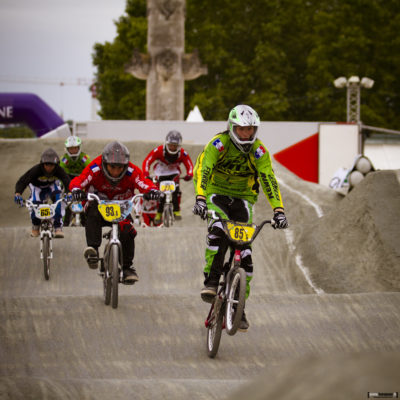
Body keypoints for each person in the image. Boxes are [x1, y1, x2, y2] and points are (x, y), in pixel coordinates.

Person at [192, 105, 288, 332]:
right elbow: (204, 169)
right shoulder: (219, 144)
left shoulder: (259, 151)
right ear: (232, 127)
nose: (246, 134)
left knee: (245, 255)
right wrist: (200, 198)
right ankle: (212, 282)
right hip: (216, 193)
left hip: (244, 198)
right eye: (242, 129)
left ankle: (238, 308)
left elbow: (268, 179)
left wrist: (279, 211)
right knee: (218, 232)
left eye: (250, 130)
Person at [69, 141, 161, 283]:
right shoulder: (95, 167)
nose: (116, 171)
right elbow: (80, 180)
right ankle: (93, 250)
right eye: (112, 167)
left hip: (121, 207)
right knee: (92, 212)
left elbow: (143, 182)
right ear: (105, 163)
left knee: (127, 230)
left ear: (125, 165)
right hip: (99, 205)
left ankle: (127, 268)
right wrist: (75, 190)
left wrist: (153, 191)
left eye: (120, 167)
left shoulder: (131, 171)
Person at [14, 148, 71, 238]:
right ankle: (35, 226)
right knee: (34, 203)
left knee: (59, 201)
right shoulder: (36, 170)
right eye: (46, 165)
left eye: (51, 165)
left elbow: (67, 181)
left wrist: (69, 193)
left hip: (52, 185)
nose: (49, 167)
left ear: (56, 165)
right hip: (37, 187)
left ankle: (58, 227)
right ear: (42, 164)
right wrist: (18, 193)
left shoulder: (59, 170)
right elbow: (23, 181)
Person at [142, 130, 194, 224]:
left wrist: (190, 174)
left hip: (174, 173)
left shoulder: (183, 153)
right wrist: (145, 173)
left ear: (179, 146)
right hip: (160, 173)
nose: (172, 147)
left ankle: (177, 211)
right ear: (166, 143)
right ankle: (159, 213)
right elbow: (147, 161)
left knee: (176, 191)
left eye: (175, 145)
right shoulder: (158, 150)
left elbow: (189, 165)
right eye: (170, 145)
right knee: (160, 193)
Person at [60, 135, 91, 226]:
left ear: (79, 148)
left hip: (81, 178)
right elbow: (61, 174)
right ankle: (65, 223)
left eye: (75, 148)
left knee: (84, 199)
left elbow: (90, 171)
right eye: (71, 148)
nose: (73, 150)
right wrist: (62, 185)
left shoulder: (84, 158)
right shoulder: (64, 159)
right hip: (68, 178)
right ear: (67, 149)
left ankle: (85, 221)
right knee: (67, 200)